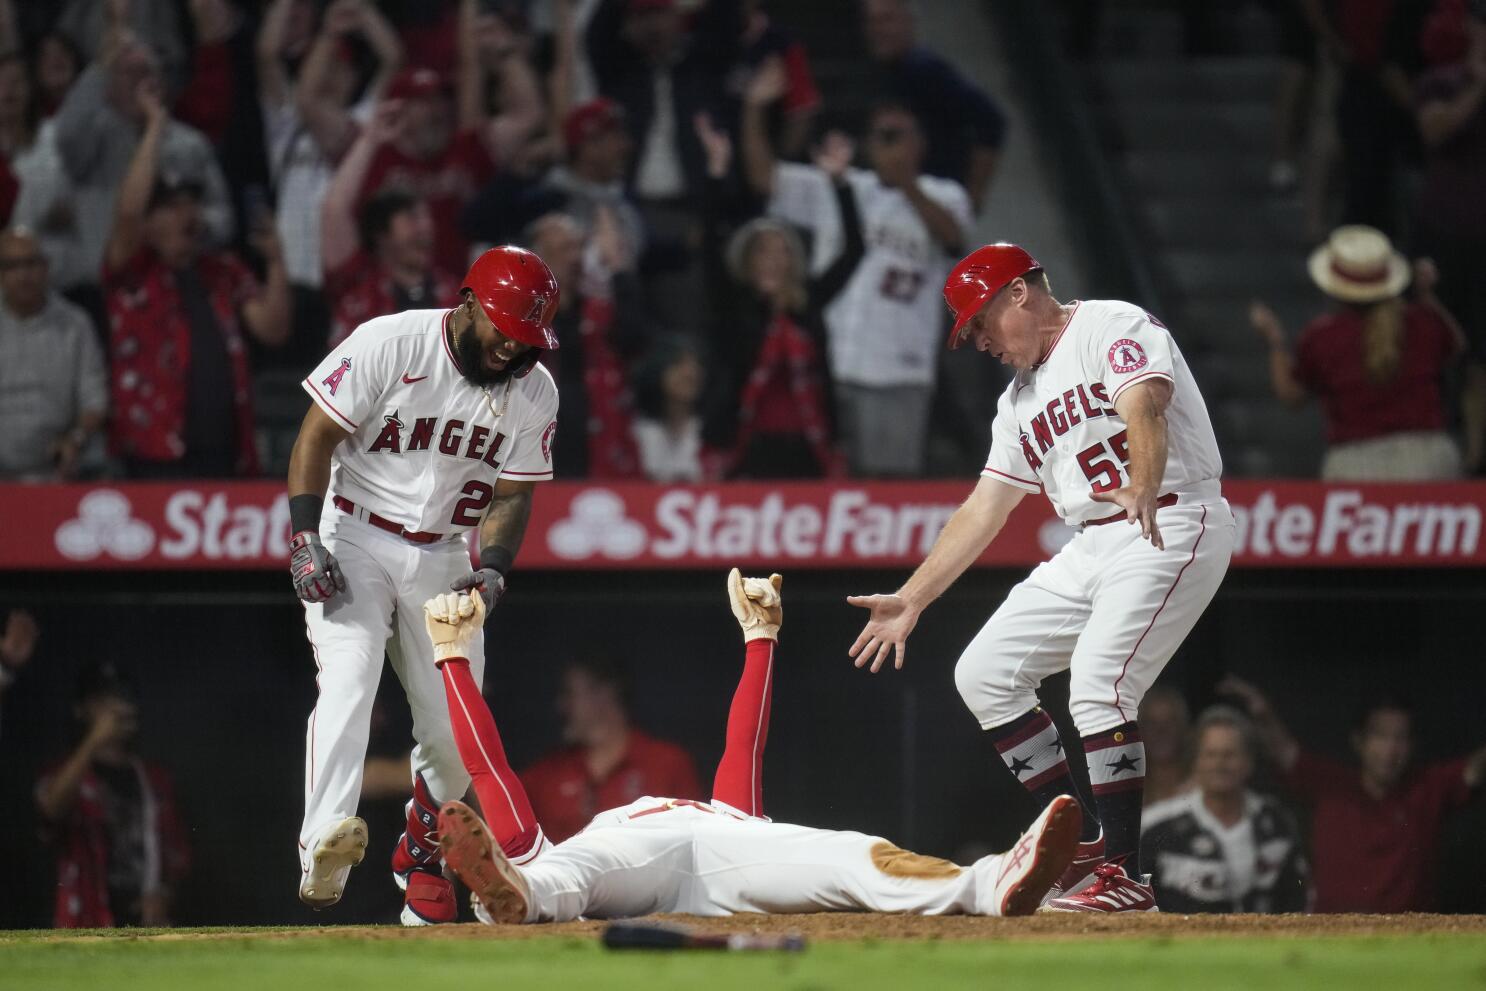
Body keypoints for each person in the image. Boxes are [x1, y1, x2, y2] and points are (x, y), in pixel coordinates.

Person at [847, 243, 1235, 913]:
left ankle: (1124, 874)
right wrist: (912, 597)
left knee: (1099, 685)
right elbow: (984, 508)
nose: (979, 342)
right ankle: (1083, 840)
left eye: (980, 322)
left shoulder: (1110, 324)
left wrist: (1144, 478)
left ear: (1019, 294)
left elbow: (1144, 403)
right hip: (1094, 541)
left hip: (1170, 517)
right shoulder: (1018, 400)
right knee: (984, 673)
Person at [425, 570, 1083, 924]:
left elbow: (743, 753)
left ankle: (989, 883)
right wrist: (450, 657)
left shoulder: (722, 815)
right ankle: (510, 893)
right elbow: (490, 769)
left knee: (851, 853)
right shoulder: (651, 817)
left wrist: (760, 635)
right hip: (620, 847)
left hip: (716, 848)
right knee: (553, 872)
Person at [287, 245, 562, 928]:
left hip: (443, 551)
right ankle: (323, 843)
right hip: (353, 530)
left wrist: (495, 564)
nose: (512, 345)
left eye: (527, 335)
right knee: (350, 676)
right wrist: (304, 536)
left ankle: (420, 849)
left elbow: (512, 494)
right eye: (504, 326)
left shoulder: (535, 389)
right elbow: (316, 436)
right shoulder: (391, 340)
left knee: (452, 730)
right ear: (469, 301)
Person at [743, 63, 972, 477]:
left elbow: (954, 238)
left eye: (895, 136)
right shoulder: (843, 185)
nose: (884, 146)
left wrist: (907, 184)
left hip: (898, 371)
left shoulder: (944, 194)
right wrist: (754, 110)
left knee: (890, 488)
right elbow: (765, 180)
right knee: (828, 486)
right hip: (830, 366)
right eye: (878, 137)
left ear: (920, 142)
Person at [103, 84, 290, 478]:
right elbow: (129, 213)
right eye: (171, 207)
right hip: (155, 453)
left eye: (192, 203)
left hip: (225, 452)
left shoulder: (223, 270)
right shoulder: (133, 272)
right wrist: (156, 125)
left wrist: (275, 262)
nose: (186, 214)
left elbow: (272, 329)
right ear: (150, 224)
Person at [1220, 675, 1486, 914]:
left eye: (1400, 738)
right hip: (1332, 940)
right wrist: (1264, 714)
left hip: (1408, 942)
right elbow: (1284, 751)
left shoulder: (1428, 787)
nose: (1390, 750)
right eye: (1381, 736)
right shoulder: (1331, 783)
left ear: (1412, 746)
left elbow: (1475, 768)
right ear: (1359, 741)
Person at [699, 118, 857, 479]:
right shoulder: (732, 303)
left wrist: (840, 184)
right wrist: (716, 174)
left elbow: (854, 251)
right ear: (748, 261)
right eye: (762, 252)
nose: (771, 260)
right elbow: (709, 244)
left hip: (809, 448)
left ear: (793, 261)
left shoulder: (810, 302)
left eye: (780, 251)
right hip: (744, 447)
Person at [1250, 225, 1465, 480]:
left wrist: (1275, 341)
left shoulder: (1322, 337)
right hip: (1429, 461)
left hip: (1354, 468)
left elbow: (1291, 395)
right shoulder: (1422, 322)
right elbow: (1457, 346)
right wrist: (1427, 296)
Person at [351, 0, 544, 276]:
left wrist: (506, 53)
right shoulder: (376, 159)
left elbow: (528, 114)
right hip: (396, 298)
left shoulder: (467, 148)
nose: (437, 110)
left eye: (440, 100)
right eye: (423, 102)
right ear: (399, 109)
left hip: (461, 297)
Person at [52, 11, 233, 298]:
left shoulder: (190, 144)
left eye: (147, 72)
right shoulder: (94, 137)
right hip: (107, 288)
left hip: (179, 286)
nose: (140, 81)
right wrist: (99, 69)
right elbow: (66, 138)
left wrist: (200, 224)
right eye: (129, 73)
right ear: (108, 86)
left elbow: (223, 215)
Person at [259, 0, 403, 296]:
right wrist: (329, 32)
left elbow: (393, 58)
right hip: (291, 269)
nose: (329, 73)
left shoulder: (365, 119)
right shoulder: (287, 119)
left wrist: (362, 11)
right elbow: (267, 54)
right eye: (324, 63)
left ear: (353, 78)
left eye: (339, 66)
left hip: (344, 265)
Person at [35, 659, 189, 928]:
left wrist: (164, 895)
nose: (114, 708)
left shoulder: (153, 779)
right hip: (84, 919)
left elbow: (176, 854)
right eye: (102, 700)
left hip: (143, 923)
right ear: (81, 709)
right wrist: (95, 739)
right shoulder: (64, 772)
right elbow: (50, 809)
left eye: (120, 697)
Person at [1140, 706, 1310, 914]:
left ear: (1248, 762)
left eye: (1229, 755)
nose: (1219, 764)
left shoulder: (1276, 822)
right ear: (1196, 761)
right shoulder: (1155, 824)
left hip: (1265, 942)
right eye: (1211, 754)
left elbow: (1300, 899)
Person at [321, 99, 460, 348]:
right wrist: (369, 140)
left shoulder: (455, 297)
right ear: (381, 234)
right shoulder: (359, 285)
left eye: (427, 219)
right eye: (412, 218)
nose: (425, 228)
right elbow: (335, 209)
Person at [1414, 0, 1486, 472]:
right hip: (1445, 235)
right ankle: (1439, 453)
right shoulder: (1442, 81)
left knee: (1481, 354)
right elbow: (1434, 131)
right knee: (1436, 346)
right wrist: (1480, 84)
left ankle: (1478, 459)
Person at [522, 655, 701, 843]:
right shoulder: (544, 776)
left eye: (569, 693)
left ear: (604, 692)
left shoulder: (667, 764)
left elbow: (695, 843)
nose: (561, 706)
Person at [524, 209, 647, 478]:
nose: (576, 258)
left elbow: (634, 341)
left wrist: (618, 269)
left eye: (579, 248)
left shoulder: (599, 311)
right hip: (538, 444)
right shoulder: (519, 317)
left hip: (599, 440)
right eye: (564, 249)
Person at [859, 0, 1007, 212]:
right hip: (904, 202)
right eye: (871, 21)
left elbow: (991, 120)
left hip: (935, 200)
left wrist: (973, 196)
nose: (877, 29)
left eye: (886, 19)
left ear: (908, 20)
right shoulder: (886, 73)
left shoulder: (925, 69)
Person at [0, 228, 106, 481]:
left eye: (31, 263)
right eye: (12, 266)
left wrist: (76, 439)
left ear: (46, 268)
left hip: (55, 473)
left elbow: (95, 399)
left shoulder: (75, 323)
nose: (24, 274)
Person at [631, 335, 706, 482]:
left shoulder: (710, 431)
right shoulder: (634, 431)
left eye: (695, 365)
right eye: (678, 364)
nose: (690, 373)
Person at [1138, 685, 1193, 807]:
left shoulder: (1203, 788)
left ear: (1184, 728)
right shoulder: (1128, 789)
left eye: (1170, 722)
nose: (1161, 731)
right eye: (1151, 723)